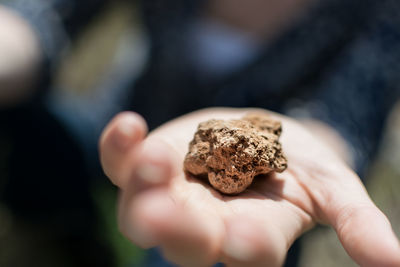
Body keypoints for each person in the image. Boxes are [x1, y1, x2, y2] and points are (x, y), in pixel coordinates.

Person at [1, 0, 400, 266]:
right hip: (126, 129)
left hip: (259, 202)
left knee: (206, 254)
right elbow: (44, 12)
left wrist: (317, 146)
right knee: (34, 133)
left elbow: (346, 118)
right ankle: (60, 237)